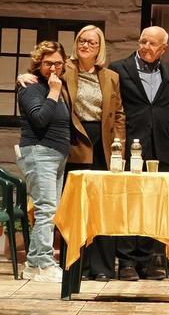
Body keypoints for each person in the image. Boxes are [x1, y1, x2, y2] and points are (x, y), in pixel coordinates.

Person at [110, 25, 169, 281]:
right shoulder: (119, 68)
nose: (146, 47)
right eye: (143, 41)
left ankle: (148, 260)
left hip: (159, 146)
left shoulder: (168, 71)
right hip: (129, 145)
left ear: (163, 49)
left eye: (152, 44)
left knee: (153, 203)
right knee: (129, 203)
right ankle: (126, 261)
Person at [64, 25, 126, 281]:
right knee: (78, 207)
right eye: (81, 40)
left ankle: (102, 268)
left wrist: (118, 146)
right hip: (75, 142)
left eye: (91, 42)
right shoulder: (65, 69)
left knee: (103, 206)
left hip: (104, 144)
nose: (85, 45)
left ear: (100, 47)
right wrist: (26, 78)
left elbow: (119, 114)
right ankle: (76, 266)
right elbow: (38, 72)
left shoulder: (111, 76)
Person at [15, 41, 70, 282]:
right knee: (46, 209)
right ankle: (44, 264)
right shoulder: (31, 87)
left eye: (58, 63)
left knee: (50, 209)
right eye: (48, 63)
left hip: (56, 154)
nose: (54, 68)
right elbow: (39, 119)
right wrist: (54, 92)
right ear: (39, 63)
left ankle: (34, 264)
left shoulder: (55, 84)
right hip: (39, 152)